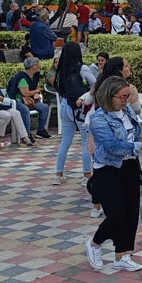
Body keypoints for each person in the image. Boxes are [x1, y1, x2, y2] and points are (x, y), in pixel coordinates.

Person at [85, 76, 142, 272]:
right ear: (109, 96)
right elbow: (113, 146)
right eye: (122, 97)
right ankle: (95, 243)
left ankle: (122, 255)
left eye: (128, 96)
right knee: (116, 215)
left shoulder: (127, 111)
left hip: (129, 165)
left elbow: (135, 130)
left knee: (131, 213)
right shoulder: (98, 119)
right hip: (108, 168)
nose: (126, 100)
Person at [53, 42, 94, 185]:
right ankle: (86, 175)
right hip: (79, 106)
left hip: (65, 105)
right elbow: (95, 85)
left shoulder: (61, 69)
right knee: (85, 141)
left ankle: (58, 174)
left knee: (65, 141)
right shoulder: (82, 68)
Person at [9, 57, 52, 139]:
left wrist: (36, 93)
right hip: (18, 100)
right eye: (38, 64)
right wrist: (37, 91)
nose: (40, 66)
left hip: (31, 99)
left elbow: (33, 88)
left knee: (44, 107)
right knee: (25, 110)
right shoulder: (22, 77)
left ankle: (41, 130)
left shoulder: (35, 76)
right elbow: (25, 93)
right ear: (34, 66)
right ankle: (27, 134)